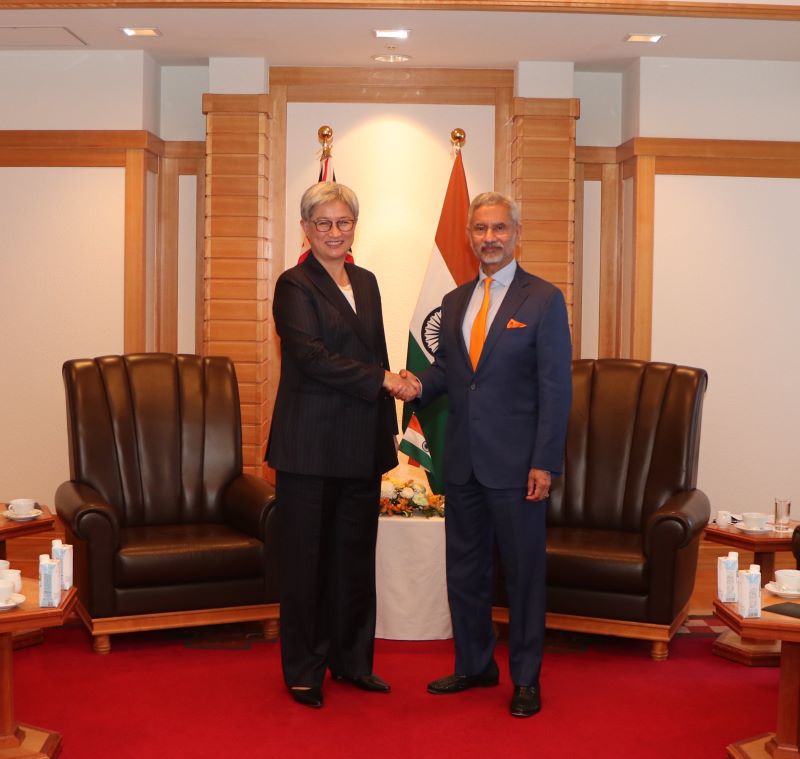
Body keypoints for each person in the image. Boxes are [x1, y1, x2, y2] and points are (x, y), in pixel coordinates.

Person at [406, 191, 572, 718]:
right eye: (480, 229)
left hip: (519, 467)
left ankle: (525, 678)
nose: (489, 238)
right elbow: (451, 376)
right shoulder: (456, 301)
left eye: (499, 228)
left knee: (523, 575)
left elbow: (556, 389)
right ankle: (475, 664)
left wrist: (544, 462)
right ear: (470, 236)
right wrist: (410, 386)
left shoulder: (543, 299)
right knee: (466, 571)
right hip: (463, 463)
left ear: (515, 233)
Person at [266, 181, 417, 709]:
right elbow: (310, 357)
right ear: (305, 229)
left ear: (355, 226)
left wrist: (395, 390)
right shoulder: (294, 284)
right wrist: (384, 380)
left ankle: (353, 663)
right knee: (307, 565)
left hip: (359, 444)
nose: (334, 232)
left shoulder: (367, 281)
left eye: (343, 222)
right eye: (323, 223)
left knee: (354, 561)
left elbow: (374, 350)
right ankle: (305, 670)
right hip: (308, 448)